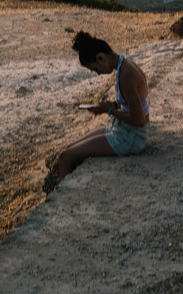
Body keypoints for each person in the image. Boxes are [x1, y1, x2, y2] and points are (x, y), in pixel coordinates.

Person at [57, 30, 150, 182]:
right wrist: (112, 105)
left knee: (65, 158)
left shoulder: (126, 75)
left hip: (130, 138)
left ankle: (62, 204)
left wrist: (109, 110)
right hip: (124, 130)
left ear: (100, 57)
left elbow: (139, 120)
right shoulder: (126, 65)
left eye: (94, 69)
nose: (98, 74)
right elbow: (135, 104)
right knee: (70, 149)